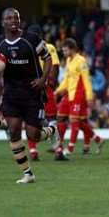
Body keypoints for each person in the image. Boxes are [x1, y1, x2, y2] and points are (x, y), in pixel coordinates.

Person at [0, 8, 58, 184]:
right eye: (9, 18)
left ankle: (52, 130)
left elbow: (48, 58)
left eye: (16, 18)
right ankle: (27, 173)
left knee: (33, 135)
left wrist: (43, 79)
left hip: (33, 93)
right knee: (13, 131)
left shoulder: (31, 39)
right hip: (12, 94)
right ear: (3, 22)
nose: (13, 21)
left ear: (20, 21)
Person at [55, 38, 104, 156]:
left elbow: (86, 80)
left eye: (66, 50)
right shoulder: (68, 60)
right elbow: (66, 79)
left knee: (74, 121)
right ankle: (97, 139)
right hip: (69, 94)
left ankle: (70, 148)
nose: (64, 53)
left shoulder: (81, 61)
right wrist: (58, 91)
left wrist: (89, 96)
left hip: (79, 94)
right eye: (63, 51)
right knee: (62, 118)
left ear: (72, 49)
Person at [26, 25, 66, 161]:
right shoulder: (48, 47)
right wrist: (51, 82)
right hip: (44, 85)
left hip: (29, 85)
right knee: (52, 118)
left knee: (30, 119)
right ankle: (58, 150)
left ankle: (32, 151)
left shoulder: (24, 47)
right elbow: (54, 65)